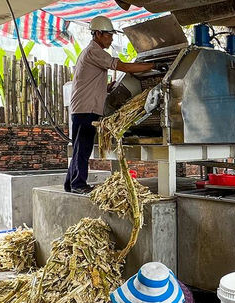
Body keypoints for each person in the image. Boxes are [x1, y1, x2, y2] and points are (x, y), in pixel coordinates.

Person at [65, 16, 164, 195]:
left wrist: (109, 86)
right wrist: (153, 65)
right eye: (109, 35)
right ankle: (78, 184)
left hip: (84, 106)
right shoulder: (95, 52)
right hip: (86, 108)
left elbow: (92, 81)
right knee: (84, 147)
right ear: (98, 34)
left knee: (80, 146)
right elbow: (124, 67)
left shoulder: (91, 52)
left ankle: (70, 183)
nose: (111, 39)